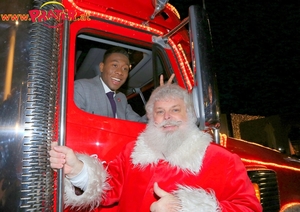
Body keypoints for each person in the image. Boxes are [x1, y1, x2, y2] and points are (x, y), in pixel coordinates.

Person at [50, 84, 262, 212]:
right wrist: (78, 170)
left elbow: (249, 208)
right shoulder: (132, 151)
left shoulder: (221, 159)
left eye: (175, 110)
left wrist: (185, 207)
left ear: (190, 115)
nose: (167, 116)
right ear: (151, 118)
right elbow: (107, 188)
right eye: (160, 111)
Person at [74, 46, 174, 123]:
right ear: (102, 67)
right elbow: (74, 124)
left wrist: (159, 102)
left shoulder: (121, 99)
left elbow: (139, 124)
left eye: (125, 68)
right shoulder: (81, 88)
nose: (120, 72)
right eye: (114, 65)